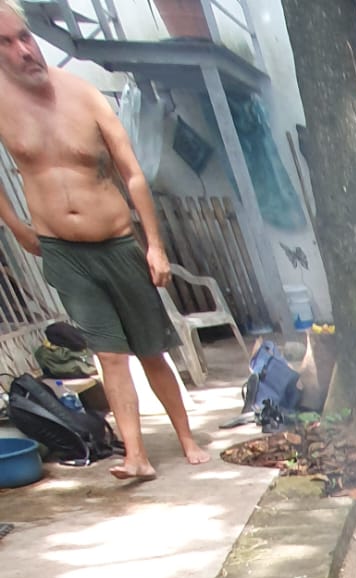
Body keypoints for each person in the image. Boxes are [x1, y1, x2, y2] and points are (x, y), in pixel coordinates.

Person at [0, 3, 209, 480]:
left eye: (25, 37)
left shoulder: (85, 95)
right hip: (62, 250)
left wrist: (154, 245)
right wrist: (15, 224)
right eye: (6, 44)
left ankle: (186, 436)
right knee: (109, 353)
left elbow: (133, 175)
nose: (23, 50)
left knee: (150, 349)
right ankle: (136, 455)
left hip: (116, 243)